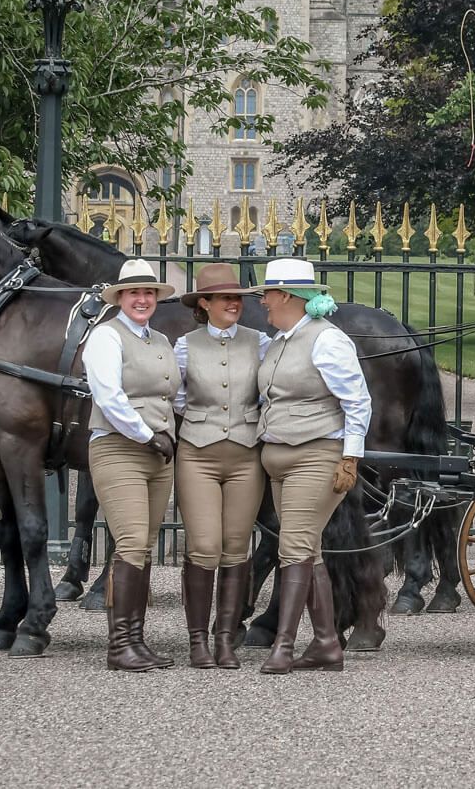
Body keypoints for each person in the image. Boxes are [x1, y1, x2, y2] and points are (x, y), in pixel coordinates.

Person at [247, 257, 371, 674]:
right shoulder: (281, 340)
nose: (262, 302)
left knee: (294, 549)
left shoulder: (326, 340)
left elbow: (357, 401)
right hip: (280, 458)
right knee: (309, 550)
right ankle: (326, 645)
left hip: (316, 457)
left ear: (285, 296)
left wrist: (350, 456)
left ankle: (283, 645)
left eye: (267, 294)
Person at [81, 258, 181, 672]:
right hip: (120, 448)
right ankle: (119, 645)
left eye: (148, 293)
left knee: (146, 542)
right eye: (134, 293)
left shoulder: (159, 340)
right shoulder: (106, 336)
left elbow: (172, 396)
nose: (142, 299)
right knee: (132, 542)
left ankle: (136, 641)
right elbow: (108, 395)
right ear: (120, 297)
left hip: (158, 451)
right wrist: (147, 435)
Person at [173, 263, 269, 669]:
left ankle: (226, 638)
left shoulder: (260, 342)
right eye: (226, 298)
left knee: (235, 548)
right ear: (204, 304)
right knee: (204, 546)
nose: (234, 304)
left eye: (238, 298)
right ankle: (197, 641)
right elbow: (175, 396)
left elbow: (270, 390)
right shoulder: (184, 346)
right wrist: (201, 419)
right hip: (197, 455)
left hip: (247, 456)